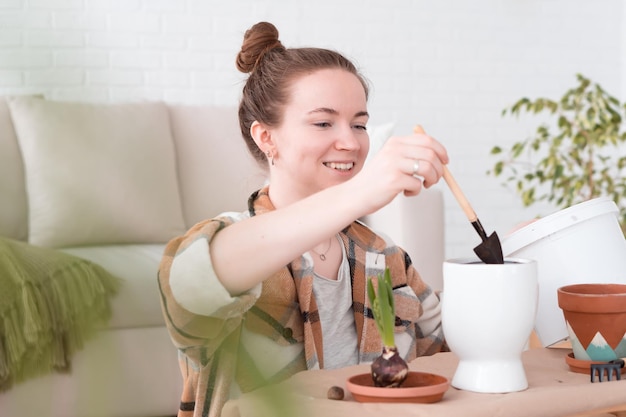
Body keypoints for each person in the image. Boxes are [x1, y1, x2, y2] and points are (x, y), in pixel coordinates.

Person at [158, 21, 449, 417]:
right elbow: (189, 285)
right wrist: (359, 193)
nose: (351, 141)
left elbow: (448, 349)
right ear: (266, 138)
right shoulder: (232, 242)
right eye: (323, 122)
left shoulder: (386, 258)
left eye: (360, 124)